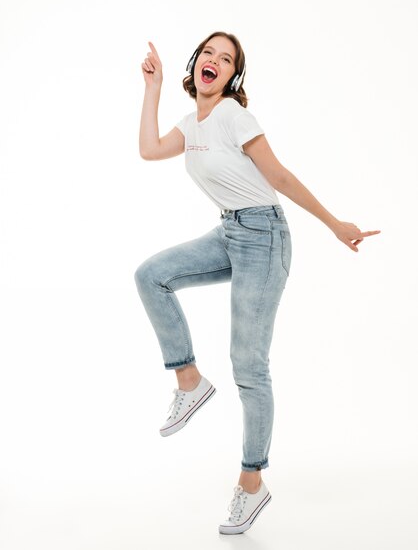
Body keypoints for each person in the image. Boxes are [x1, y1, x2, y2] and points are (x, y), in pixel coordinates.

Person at [134, 31, 380, 534]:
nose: (215, 62)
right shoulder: (191, 122)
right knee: (152, 275)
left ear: (231, 76)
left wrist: (336, 225)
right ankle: (188, 380)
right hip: (230, 231)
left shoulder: (233, 116)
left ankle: (252, 483)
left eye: (226, 60)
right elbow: (149, 149)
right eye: (208, 54)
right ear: (196, 62)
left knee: (249, 366)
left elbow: (280, 178)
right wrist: (153, 87)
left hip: (264, 235)